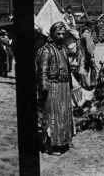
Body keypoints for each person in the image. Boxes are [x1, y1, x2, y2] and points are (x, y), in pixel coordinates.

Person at [36, 22, 73, 155]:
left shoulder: (63, 49)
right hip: (52, 87)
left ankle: (63, 142)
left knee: (64, 115)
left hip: (64, 86)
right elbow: (42, 72)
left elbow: (68, 69)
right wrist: (44, 89)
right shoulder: (46, 50)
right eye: (58, 34)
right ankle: (50, 146)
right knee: (52, 116)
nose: (61, 36)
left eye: (63, 33)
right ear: (52, 35)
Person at [80, 25, 97, 89]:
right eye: (91, 28)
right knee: (93, 70)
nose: (92, 29)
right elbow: (89, 47)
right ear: (88, 28)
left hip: (84, 56)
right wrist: (92, 56)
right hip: (88, 56)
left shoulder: (83, 35)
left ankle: (85, 85)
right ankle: (92, 84)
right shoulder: (87, 35)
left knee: (86, 70)